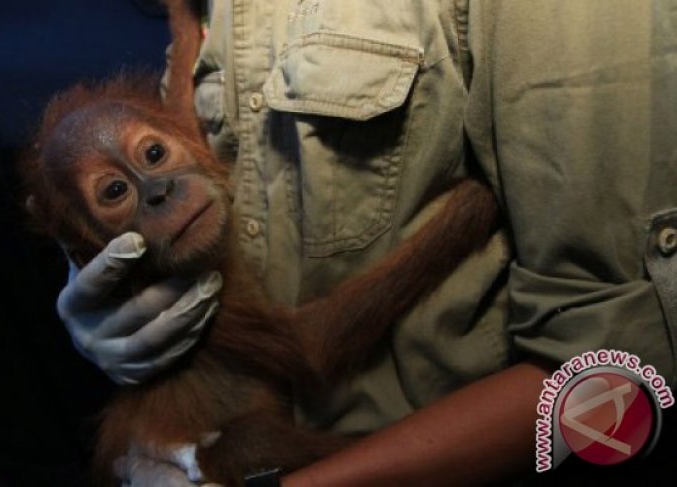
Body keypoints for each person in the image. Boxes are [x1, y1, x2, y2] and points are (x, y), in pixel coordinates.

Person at [57, 1, 677, 485]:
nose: (157, 190)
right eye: (115, 191)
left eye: (152, 159)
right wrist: (110, 302)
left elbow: (623, 377)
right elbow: (185, 133)